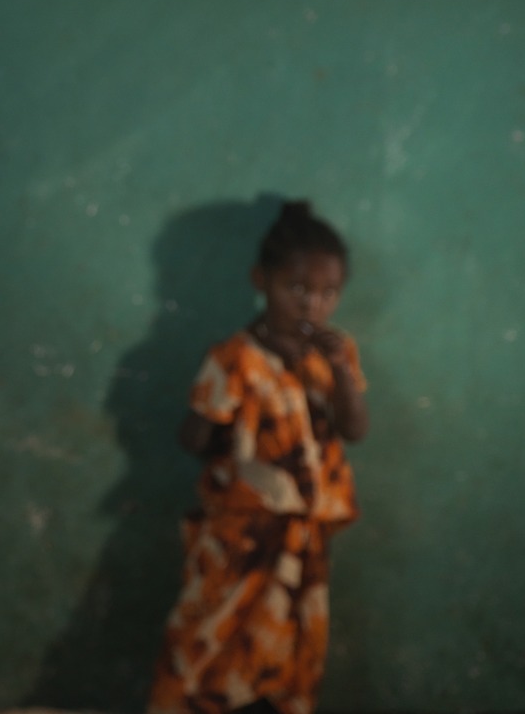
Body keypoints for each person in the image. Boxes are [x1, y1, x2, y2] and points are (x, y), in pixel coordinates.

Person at [149, 201, 370, 714]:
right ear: (260, 280)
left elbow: (355, 429)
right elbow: (193, 441)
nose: (311, 305)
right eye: (296, 289)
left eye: (327, 293)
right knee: (208, 635)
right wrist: (214, 410)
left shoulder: (337, 354)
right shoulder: (234, 357)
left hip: (305, 530)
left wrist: (339, 372)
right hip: (241, 531)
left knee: (292, 647)